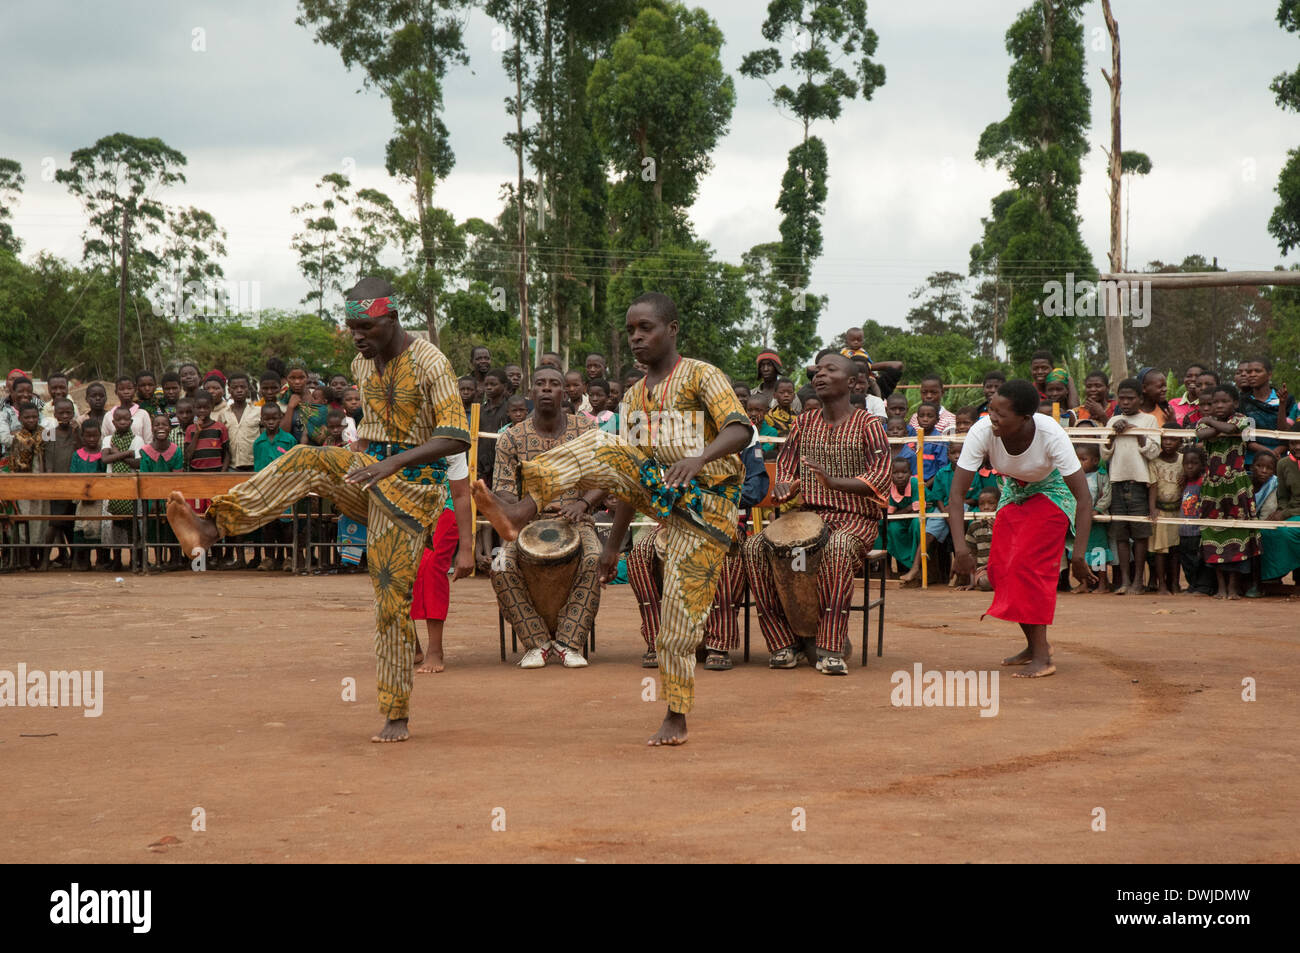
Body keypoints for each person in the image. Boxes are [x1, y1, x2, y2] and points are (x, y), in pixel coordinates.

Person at [164, 277, 471, 743]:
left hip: (416, 489)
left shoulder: (431, 362)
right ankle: (212, 526)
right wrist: (346, 463)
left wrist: (391, 462)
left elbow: (456, 435)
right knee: (308, 459)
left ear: (391, 319)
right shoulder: (362, 365)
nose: (357, 336)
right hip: (373, 472)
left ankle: (396, 713)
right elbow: (372, 430)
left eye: (365, 326)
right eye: (351, 327)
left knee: (389, 596)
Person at [473, 291, 751, 746]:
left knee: (677, 620)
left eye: (646, 328)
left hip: (709, 509)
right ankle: (520, 513)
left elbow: (741, 429)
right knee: (602, 444)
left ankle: (676, 714)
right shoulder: (637, 396)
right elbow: (628, 471)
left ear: (672, 329)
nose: (637, 338)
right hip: (664, 498)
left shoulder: (702, 375)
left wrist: (699, 458)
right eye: (631, 331)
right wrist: (612, 546)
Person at [741, 352, 891, 674]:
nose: (819, 375)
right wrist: (785, 485)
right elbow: (786, 465)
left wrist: (833, 481)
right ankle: (783, 643)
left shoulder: (869, 425)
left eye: (830, 370)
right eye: (817, 371)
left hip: (855, 520)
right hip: (808, 517)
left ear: (851, 382)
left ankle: (831, 647)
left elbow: (881, 477)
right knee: (754, 548)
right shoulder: (803, 423)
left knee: (835, 548)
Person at [947, 379, 1096, 678]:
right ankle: (1034, 646)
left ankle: (1042, 657)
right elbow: (956, 495)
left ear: (1025, 418)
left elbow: (1084, 498)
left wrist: (1079, 555)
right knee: (1002, 569)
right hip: (1014, 490)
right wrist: (960, 548)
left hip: (1052, 493)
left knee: (1028, 566)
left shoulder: (1051, 434)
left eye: (1001, 414)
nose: (993, 418)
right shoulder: (982, 432)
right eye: (991, 410)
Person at [489, 366, 606, 669]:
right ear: (531, 393)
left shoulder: (587, 431)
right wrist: (528, 508)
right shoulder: (510, 439)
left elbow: (604, 478)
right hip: (527, 525)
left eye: (554, 384)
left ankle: (569, 642)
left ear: (564, 393)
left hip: (577, 522)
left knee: (594, 558)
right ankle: (537, 643)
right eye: (539, 384)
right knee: (500, 564)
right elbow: (501, 491)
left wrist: (582, 503)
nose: (546, 389)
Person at [410, 451, 474, 674]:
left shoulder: (450, 433)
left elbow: (461, 493)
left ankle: (435, 650)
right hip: (403, 507)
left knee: (430, 566)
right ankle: (413, 646)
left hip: (444, 507)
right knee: (397, 570)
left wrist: (467, 547)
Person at [1195, 384, 1258, 600]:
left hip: (1236, 486)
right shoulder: (1203, 422)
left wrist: (1211, 421)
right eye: (1214, 403)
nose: (1219, 406)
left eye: (1224, 402)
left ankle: (1234, 587)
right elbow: (1202, 434)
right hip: (1212, 486)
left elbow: (1232, 429)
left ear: (1235, 403)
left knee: (1237, 534)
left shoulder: (1243, 419)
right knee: (1213, 534)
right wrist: (1215, 425)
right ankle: (1220, 586)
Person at [1103, 379, 1160, 594]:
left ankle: (1138, 581)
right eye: (1122, 398)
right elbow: (1104, 453)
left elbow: (1154, 451)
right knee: (1120, 534)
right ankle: (1125, 581)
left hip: (1140, 483)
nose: (1125, 402)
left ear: (1140, 399)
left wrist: (1137, 433)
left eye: (1130, 398)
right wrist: (1112, 434)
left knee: (1140, 534)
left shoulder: (1149, 420)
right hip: (1117, 482)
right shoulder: (1113, 420)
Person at [251, 402, 298, 572]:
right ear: (262, 420)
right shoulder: (259, 443)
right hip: (266, 490)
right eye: (267, 419)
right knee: (268, 524)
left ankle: (289, 558)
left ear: (280, 418)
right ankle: (269, 557)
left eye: (274, 418)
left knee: (287, 525)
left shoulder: (289, 440)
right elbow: (258, 469)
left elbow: (294, 465)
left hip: (285, 489)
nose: (271, 422)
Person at [139, 413, 185, 570]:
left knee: (173, 526)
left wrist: (168, 500)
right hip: (151, 498)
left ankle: (175, 559)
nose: (160, 428)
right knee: (153, 526)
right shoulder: (145, 451)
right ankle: (158, 560)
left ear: (170, 428)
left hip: (171, 497)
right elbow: (146, 479)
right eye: (157, 425)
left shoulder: (176, 451)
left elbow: (176, 479)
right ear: (152, 429)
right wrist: (153, 501)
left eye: (164, 424)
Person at [101, 405, 144, 571]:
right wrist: (127, 453)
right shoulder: (108, 439)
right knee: (116, 524)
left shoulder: (138, 440)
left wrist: (117, 453)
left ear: (131, 421)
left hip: (131, 486)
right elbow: (105, 459)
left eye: (126, 419)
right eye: (119, 419)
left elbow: (138, 463)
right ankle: (117, 559)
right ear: (113, 422)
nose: (123, 422)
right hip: (113, 486)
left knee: (133, 524)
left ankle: (136, 559)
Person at [1067, 442, 1113, 593]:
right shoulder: (1072, 477)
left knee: (1098, 552)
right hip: (1078, 520)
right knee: (1081, 551)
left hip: (1096, 521)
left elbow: (1106, 495)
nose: (1079, 463)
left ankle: (1102, 584)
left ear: (1094, 460)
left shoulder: (1101, 475)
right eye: (1076, 459)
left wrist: (1097, 510)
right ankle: (1084, 584)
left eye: (1083, 459)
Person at [42, 398, 81, 569]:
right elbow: (47, 459)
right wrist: (51, 480)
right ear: (55, 414)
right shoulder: (48, 433)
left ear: (73, 413)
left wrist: (76, 433)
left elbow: (81, 451)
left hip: (74, 483)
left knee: (71, 523)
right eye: (61, 413)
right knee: (54, 522)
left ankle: (73, 559)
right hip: (56, 483)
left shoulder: (77, 431)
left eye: (68, 412)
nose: (65, 416)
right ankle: (45, 559)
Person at [1239, 357, 1297, 465]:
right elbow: (1246, 437)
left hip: (1281, 460)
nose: (1252, 374)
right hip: (1251, 463)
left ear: (1269, 375)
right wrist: (1268, 452)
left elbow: (1287, 432)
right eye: (1249, 372)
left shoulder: (1286, 399)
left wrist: (1282, 404)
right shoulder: (1243, 402)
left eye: (1257, 371)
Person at [1261, 423, 1300, 584]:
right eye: (1293, 443)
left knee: (1288, 533)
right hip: (1292, 513)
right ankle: (1272, 577)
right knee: (1267, 531)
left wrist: (1285, 514)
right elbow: (1283, 496)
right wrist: (1281, 513)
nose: (1297, 447)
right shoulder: (1283, 464)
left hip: (1293, 514)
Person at [1148, 425, 1185, 595]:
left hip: (1178, 511)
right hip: (1161, 511)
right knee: (1160, 550)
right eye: (1165, 439)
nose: (1168, 442)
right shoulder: (1154, 461)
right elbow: (1153, 486)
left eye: (1173, 439)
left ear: (1180, 441)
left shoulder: (1184, 460)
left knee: (1175, 549)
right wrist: (1153, 508)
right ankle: (1161, 584)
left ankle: (1175, 583)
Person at [70, 420, 107, 570]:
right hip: (82, 499)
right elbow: (72, 475)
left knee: (100, 529)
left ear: (100, 435)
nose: (92, 439)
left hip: (99, 498)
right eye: (88, 436)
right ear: (82, 436)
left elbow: (105, 473)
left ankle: (101, 560)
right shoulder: (77, 455)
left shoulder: (103, 455)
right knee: (81, 528)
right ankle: (82, 561)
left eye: (95, 436)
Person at [1177, 446, 1214, 596]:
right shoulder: (1184, 482)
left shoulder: (1203, 482)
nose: (1190, 466)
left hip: (1198, 530)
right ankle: (1192, 584)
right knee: (1187, 560)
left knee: (1200, 559)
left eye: (1194, 463)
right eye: (1187, 463)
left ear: (1202, 465)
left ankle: (1203, 587)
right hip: (1184, 530)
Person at [954, 486, 999, 591]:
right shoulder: (974, 526)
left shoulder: (1005, 523)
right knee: (985, 582)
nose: (986, 507)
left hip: (1003, 566)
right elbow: (972, 555)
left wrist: (999, 530)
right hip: (984, 570)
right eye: (982, 504)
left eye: (991, 503)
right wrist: (972, 583)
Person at [896, 401, 949, 488]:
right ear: (917, 419)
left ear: (937, 420)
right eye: (921, 416)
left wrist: (927, 484)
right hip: (912, 483)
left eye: (930, 416)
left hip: (932, 484)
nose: (925, 419)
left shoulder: (939, 441)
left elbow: (942, 469)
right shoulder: (912, 438)